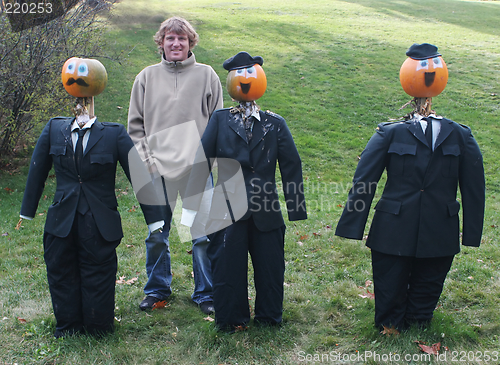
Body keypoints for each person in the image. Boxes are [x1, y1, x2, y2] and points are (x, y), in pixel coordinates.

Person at [335, 43, 485, 332]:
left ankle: (418, 318)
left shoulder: (460, 135)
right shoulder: (390, 133)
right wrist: (351, 225)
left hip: (439, 227)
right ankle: (390, 322)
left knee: (423, 304)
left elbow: (474, 188)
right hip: (393, 227)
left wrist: (472, 234)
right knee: (389, 303)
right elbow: (364, 180)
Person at [182, 52, 307, 333]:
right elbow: (201, 160)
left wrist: (295, 206)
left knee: (270, 267)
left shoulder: (275, 123)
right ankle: (230, 317)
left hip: (266, 209)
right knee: (226, 266)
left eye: (250, 73)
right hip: (225, 209)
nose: (245, 80)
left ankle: (269, 315)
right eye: (240, 74)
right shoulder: (220, 120)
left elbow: (291, 164)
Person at [19, 104, 163, 338]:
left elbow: (137, 173)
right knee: (60, 270)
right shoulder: (55, 129)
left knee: (99, 273)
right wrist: (28, 209)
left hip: (99, 222)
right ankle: (68, 326)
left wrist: (154, 218)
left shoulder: (113, 133)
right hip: (61, 220)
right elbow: (37, 169)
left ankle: (99, 326)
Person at [127, 16, 223, 313]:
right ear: (162, 42)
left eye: (181, 38)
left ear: (190, 42)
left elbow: (218, 124)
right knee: (157, 233)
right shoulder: (146, 77)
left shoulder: (208, 76)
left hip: (197, 169)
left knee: (202, 236)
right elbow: (135, 127)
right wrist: (148, 162)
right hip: (157, 170)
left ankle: (206, 293)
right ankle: (157, 290)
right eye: (170, 38)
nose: (176, 43)